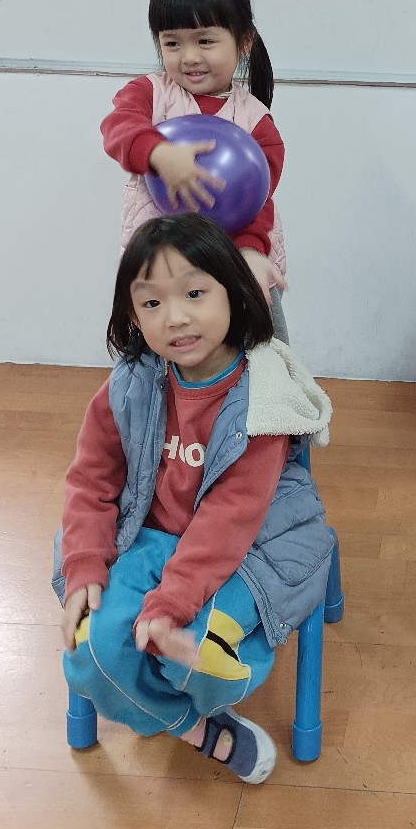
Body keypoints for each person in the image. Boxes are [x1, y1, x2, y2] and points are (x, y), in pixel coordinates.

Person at [52, 214, 335, 784]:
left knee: (198, 654)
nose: (175, 317)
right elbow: (91, 479)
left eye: (195, 294)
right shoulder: (130, 383)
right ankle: (193, 727)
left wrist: (171, 603)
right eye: (152, 303)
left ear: (233, 292)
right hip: (148, 534)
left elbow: (229, 520)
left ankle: (194, 694)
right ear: (132, 315)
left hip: (243, 544)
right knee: (95, 649)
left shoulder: (262, 397)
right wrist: (84, 561)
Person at [100, 0, 290, 339]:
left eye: (205, 41)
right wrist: (159, 154)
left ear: (243, 42)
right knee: (153, 351)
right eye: (172, 43)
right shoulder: (149, 93)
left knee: (261, 343)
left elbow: (258, 200)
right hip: (161, 264)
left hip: (233, 263)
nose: (188, 57)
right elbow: (118, 127)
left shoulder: (256, 123)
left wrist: (250, 253)